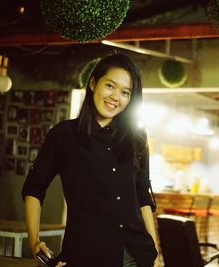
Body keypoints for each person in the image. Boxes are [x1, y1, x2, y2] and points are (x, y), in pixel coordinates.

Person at [22, 53, 159, 267]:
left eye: (125, 92)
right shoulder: (64, 135)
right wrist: (34, 241)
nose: (116, 97)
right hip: (85, 255)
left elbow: (143, 198)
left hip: (137, 256)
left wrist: (155, 252)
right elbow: (34, 189)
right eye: (110, 86)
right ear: (94, 83)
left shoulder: (137, 140)